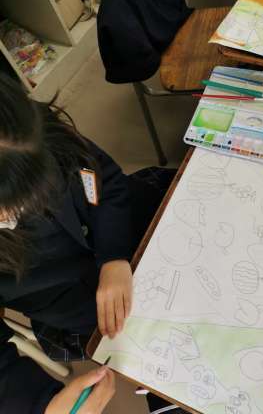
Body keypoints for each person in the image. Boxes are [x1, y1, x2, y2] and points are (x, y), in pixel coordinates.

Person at [0, 73, 177, 413]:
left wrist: (114, 256)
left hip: (132, 229)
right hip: (76, 306)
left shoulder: (39, 137)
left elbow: (102, 180)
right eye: (10, 213)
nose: (30, 212)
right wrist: (41, 404)